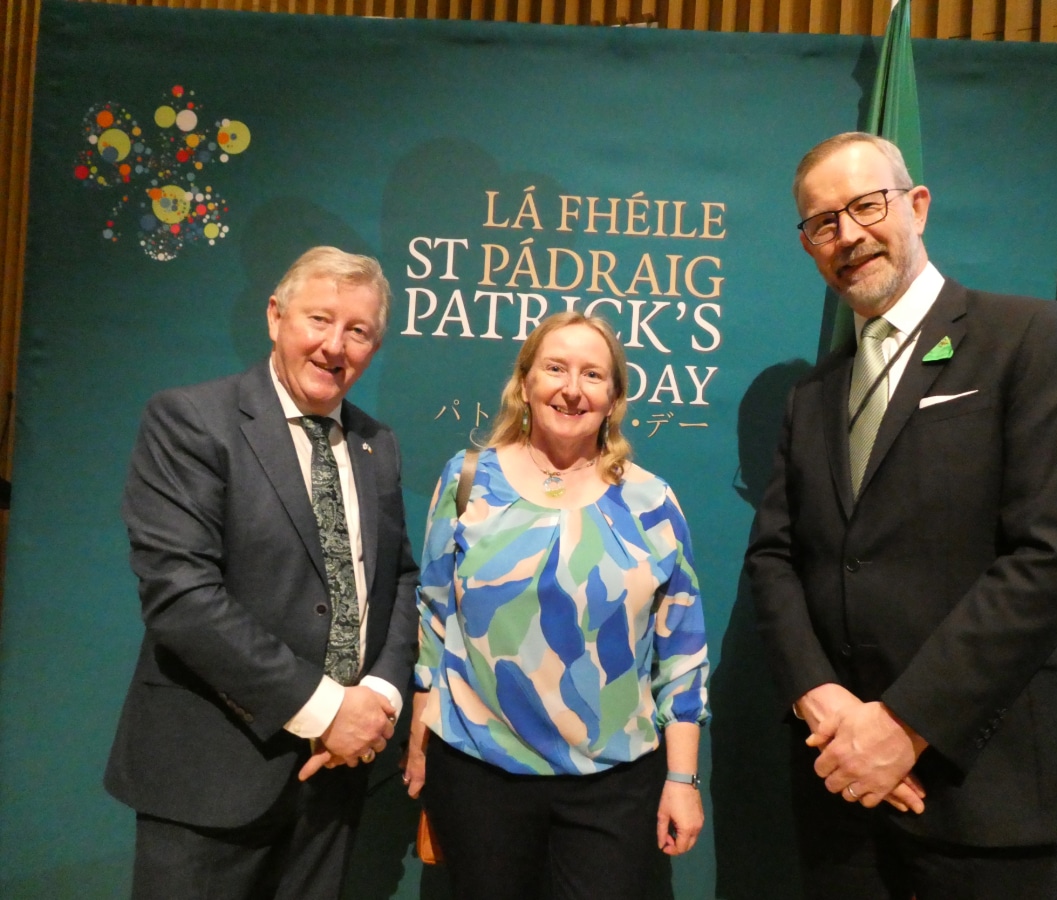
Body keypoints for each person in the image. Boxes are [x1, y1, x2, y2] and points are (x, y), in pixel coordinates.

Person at [744, 133, 1057, 899]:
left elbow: (1051, 557)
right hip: (840, 792)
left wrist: (903, 725)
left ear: (916, 206)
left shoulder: (1031, 338)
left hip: (982, 797)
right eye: (822, 223)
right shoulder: (812, 399)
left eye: (865, 206)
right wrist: (825, 703)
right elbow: (774, 560)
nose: (847, 236)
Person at [105, 246, 420, 899]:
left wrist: (379, 702)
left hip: (335, 778)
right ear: (275, 316)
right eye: (318, 319)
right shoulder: (192, 421)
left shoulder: (375, 444)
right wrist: (327, 708)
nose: (335, 346)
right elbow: (182, 599)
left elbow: (398, 580)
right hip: (211, 777)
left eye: (357, 331)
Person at [402, 311, 710, 900]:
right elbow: (435, 618)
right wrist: (419, 737)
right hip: (476, 773)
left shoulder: (651, 502)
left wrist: (681, 778)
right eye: (556, 368)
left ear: (614, 397)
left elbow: (683, 653)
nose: (573, 389)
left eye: (593, 375)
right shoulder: (467, 480)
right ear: (524, 383)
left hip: (613, 786)